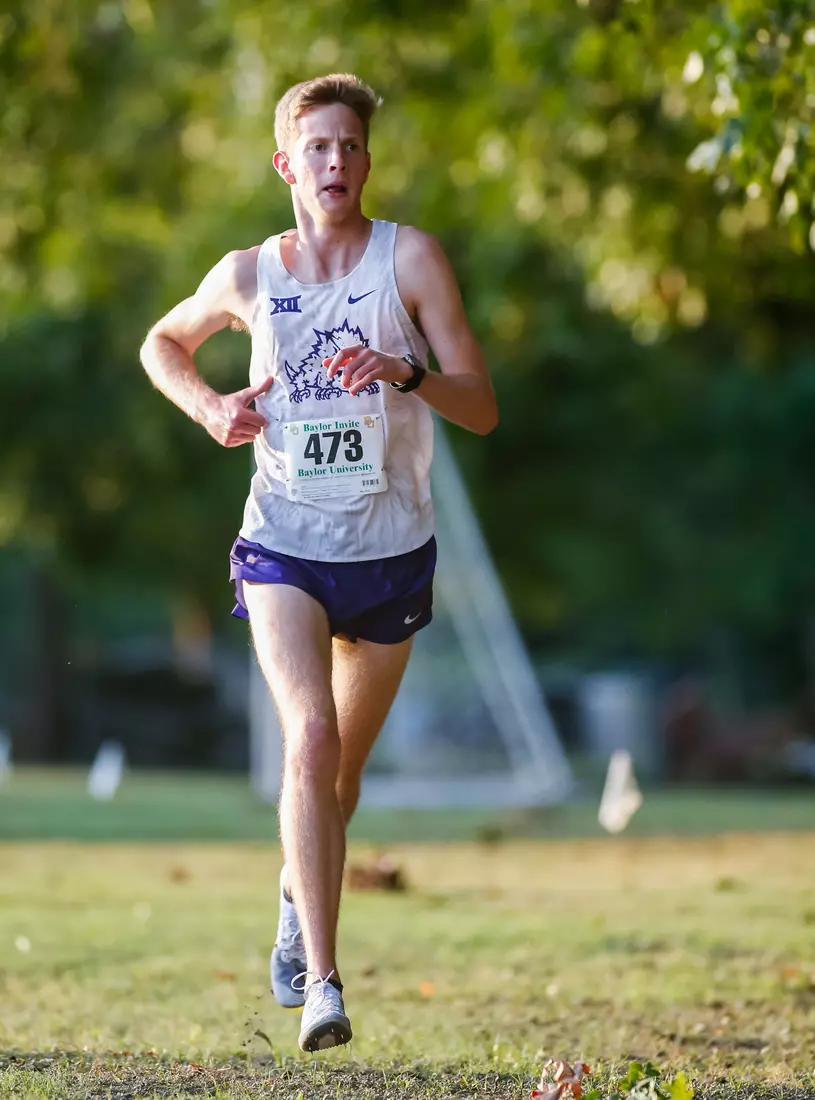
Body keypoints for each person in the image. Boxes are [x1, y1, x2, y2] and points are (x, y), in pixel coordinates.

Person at [139, 73, 498, 1052]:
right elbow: (162, 341)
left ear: (366, 163)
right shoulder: (251, 274)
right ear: (285, 164)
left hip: (390, 553)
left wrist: (407, 372)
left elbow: (481, 403)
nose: (335, 161)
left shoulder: (409, 260)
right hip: (283, 542)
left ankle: (297, 900)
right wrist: (213, 407)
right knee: (310, 735)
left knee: (336, 782)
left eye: (350, 146)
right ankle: (325, 982)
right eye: (318, 147)